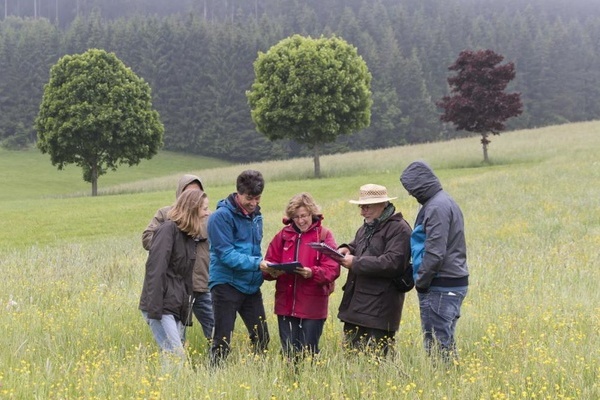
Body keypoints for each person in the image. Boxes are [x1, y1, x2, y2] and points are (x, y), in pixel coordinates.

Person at [400, 161, 469, 362]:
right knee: (443, 341)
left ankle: (446, 384)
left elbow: (435, 252)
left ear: (420, 185)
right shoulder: (443, 201)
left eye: (411, 189)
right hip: (450, 282)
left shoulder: (436, 207)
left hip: (441, 284)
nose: (411, 194)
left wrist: (421, 282)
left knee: (438, 346)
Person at [337, 184, 412, 356]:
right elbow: (360, 247)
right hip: (356, 307)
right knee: (351, 360)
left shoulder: (399, 229)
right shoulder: (366, 228)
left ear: (382, 204)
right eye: (361, 207)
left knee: (380, 363)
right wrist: (347, 249)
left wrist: (355, 262)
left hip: (380, 310)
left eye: (366, 207)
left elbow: (393, 263)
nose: (362, 212)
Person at [263, 193, 340, 359]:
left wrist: (312, 272)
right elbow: (269, 262)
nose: (300, 220)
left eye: (304, 216)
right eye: (296, 217)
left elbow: (333, 268)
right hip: (286, 304)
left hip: (313, 305)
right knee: (290, 354)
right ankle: (291, 381)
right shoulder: (282, 236)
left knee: (310, 352)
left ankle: (311, 383)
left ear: (312, 213)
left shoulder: (324, 236)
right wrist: (271, 270)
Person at [208, 170, 270, 364]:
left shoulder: (256, 216)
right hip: (226, 285)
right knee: (222, 340)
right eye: (249, 198)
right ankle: (214, 376)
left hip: (250, 285)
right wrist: (257, 264)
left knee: (262, 337)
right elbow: (226, 254)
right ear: (238, 193)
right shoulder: (220, 217)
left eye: (257, 198)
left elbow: (254, 249)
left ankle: (260, 372)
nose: (254, 203)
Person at [142, 174, 214, 341]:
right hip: (176, 285)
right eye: (188, 192)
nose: (193, 197)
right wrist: (174, 241)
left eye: (197, 192)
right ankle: (177, 363)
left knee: (215, 329)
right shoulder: (167, 217)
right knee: (176, 339)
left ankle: (218, 364)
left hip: (202, 282)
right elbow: (147, 240)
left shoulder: (208, 217)